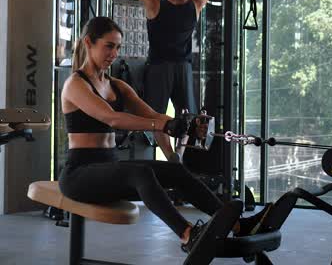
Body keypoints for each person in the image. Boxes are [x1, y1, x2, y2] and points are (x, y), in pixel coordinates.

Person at [58, 17, 268, 255]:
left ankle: (239, 225)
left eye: (118, 47)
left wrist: (183, 126)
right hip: (79, 175)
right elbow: (112, 118)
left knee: (175, 172)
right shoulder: (75, 84)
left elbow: (154, 117)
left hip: (109, 169)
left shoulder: (117, 86)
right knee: (140, 172)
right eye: (109, 45)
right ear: (88, 42)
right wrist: (161, 124)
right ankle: (188, 235)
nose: (114, 53)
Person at [115, 0, 220, 131]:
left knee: (155, 119)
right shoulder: (195, 5)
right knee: (189, 120)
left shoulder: (154, 3)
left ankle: (168, 156)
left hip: (160, 68)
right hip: (183, 68)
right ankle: (178, 156)